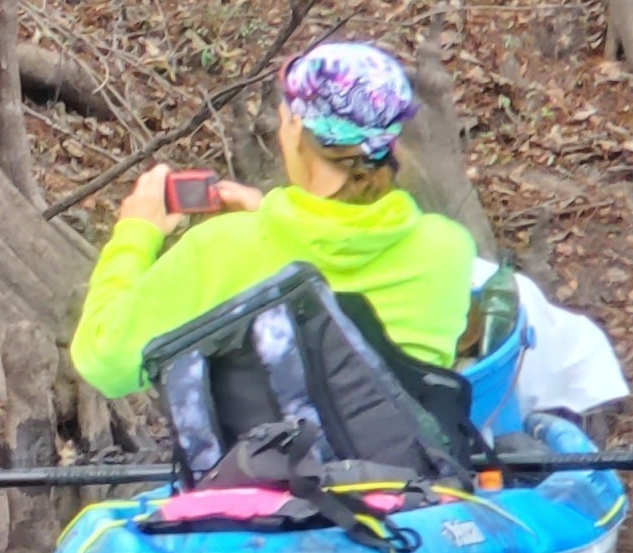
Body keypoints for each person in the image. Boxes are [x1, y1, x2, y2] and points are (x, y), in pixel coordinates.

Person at [69, 41, 480, 400]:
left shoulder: (222, 249)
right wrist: (266, 215)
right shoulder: (448, 250)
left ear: (297, 127)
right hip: (400, 480)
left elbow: (103, 361)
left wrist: (135, 233)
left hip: (269, 481)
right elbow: (331, 254)